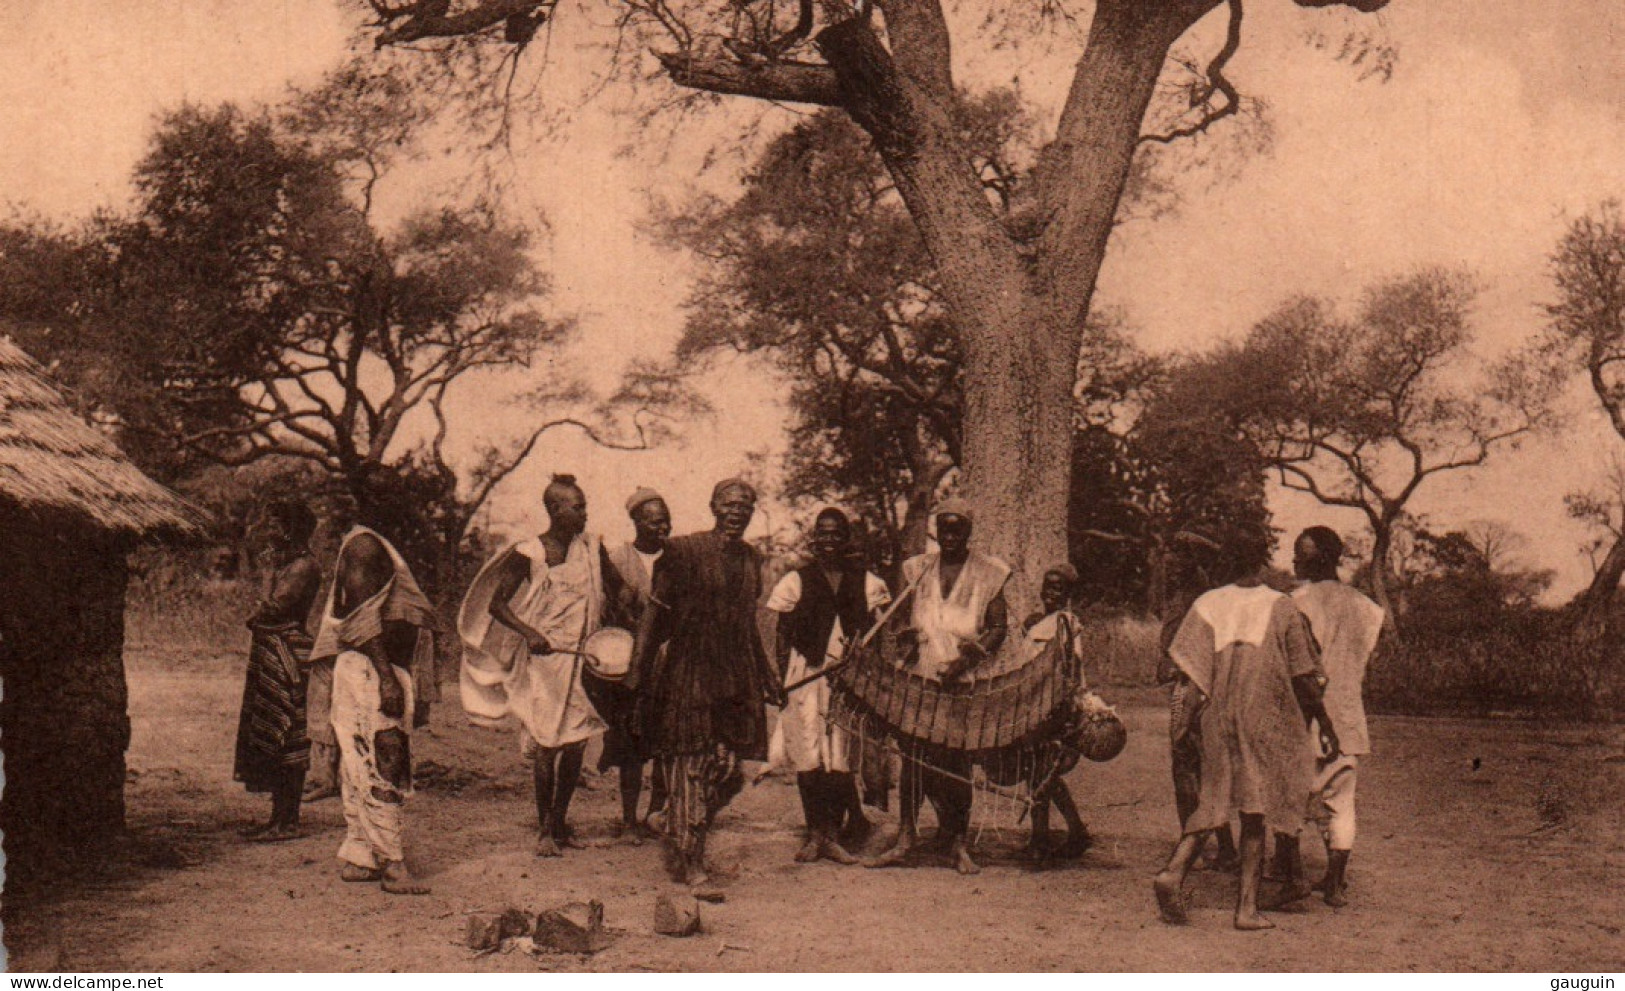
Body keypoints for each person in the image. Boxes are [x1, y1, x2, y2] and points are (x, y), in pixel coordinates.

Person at [1152, 529, 1335, 930]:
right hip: (1263, 718)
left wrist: (1190, 720)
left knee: (1213, 798)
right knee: (1255, 812)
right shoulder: (1281, 606)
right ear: (1261, 562)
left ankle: (1173, 872)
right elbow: (1304, 674)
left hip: (1217, 717)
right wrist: (1324, 721)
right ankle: (1246, 909)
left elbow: (1188, 670)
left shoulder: (1208, 603)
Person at [627, 478, 783, 886]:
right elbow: (653, 618)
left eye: (745, 506)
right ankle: (690, 858)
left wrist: (768, 676)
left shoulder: (751, 559)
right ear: (713, 507)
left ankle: (674, 820)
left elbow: (748, 624)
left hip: (736, 675)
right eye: (729, 504)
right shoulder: (683, 551)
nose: (737, 512)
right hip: (690, 670)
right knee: (689, 764)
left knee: (732, 771)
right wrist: (636, 676)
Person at [459, 474, 616, 857]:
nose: (584, 514)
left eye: (585, 506)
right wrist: (529, 633)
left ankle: (560, 824)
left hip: (583, 660)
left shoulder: (592, 550)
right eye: (577, 507)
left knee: (577, 744)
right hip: (546, 662)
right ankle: (544, 829)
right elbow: (498, 605)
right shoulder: (531, 552)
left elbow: (616, 590)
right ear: (554, 509)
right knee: (547, 744)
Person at [867, 500, 1008, 876]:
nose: (949, 536)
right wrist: (908, 638)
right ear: (936, 531)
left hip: (962, 679)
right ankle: (906, 836)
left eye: (957, 529)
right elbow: (904, 618)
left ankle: (957, 842)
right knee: (913, 758)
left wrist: (967, 659)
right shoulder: (918, 568)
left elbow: (998, 628)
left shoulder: (989, 573)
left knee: (957, 761)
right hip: (921, 675)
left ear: (968, 532)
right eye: (943, 529)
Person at [310, 514, 436, 895]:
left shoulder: (372, 546)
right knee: (386, 759)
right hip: (371, 670)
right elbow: (361, 619)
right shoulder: (366, 547)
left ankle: (361, 856)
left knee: (358, 763)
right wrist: (385, 677)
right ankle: (393, 864)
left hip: (371, 669)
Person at [765, 507, 891, 865]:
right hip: (806, 676)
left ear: (846, 539)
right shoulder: (796, 581)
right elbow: (782, 634)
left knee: (839, 758)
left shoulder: (865, 581)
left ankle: (835, 835)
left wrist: (870, 673)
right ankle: (815, 834)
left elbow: (879, 634)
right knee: (807, 755)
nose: (830, 541)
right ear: (814, 538)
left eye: (837, 534)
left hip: (848, 681)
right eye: (823, 534)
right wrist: (780, 677)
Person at [1288, 526, 1384, 907]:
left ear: (1322, 558)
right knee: (1342, 802)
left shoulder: (1294, 603)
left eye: (1301, 554)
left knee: (1290, 797)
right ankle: (1335, 882)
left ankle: (1290, 875)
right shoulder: (1368, 608)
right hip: (1347, 714)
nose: (1295, 560)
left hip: (1304, 714)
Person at [234, 500, 323, 842]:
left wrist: (268, 576)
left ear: (289, 529)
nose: (269, 533)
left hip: (286, 651)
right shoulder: (291, 564)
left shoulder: (303, 567)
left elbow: (270, 610)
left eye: (274, 526)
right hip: (271, 650)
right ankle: (277, 817)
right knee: (270, 730)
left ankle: (288, 821)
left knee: (286, 732)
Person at [592, 487, 673, 843]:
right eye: (654, 521)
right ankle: (628, 821)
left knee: (668, 742)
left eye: (665, 520)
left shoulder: (678, 558)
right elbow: (605, 611)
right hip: (630, 663)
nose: (662, 527)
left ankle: (656, 815)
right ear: (636, 522)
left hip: (670, 661)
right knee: (630, 742)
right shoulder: (619, 558)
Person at [1157, 541, 1239, 872]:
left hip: (1192, 687)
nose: (1171, 569)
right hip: (1191, 684)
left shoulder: (1199, 601)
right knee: (1200, 769)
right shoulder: (1184, 597)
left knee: (1189, 766)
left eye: (1178, 563)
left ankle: (1192, 845)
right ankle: (1224, 847)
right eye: (1169, 563)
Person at [1013, 564, 1092, 860]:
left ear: (1068, 594)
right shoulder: (1043, 623)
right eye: (1047, 586)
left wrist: (1061, 709)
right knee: (1043, 775)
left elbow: (1070, 669)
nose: (1050, 593)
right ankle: (1076, 832)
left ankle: (1040, 841)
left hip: (1053, 708)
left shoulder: (1066, 625)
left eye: (1058, 588)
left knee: (1040, 774)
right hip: (1034, 706)